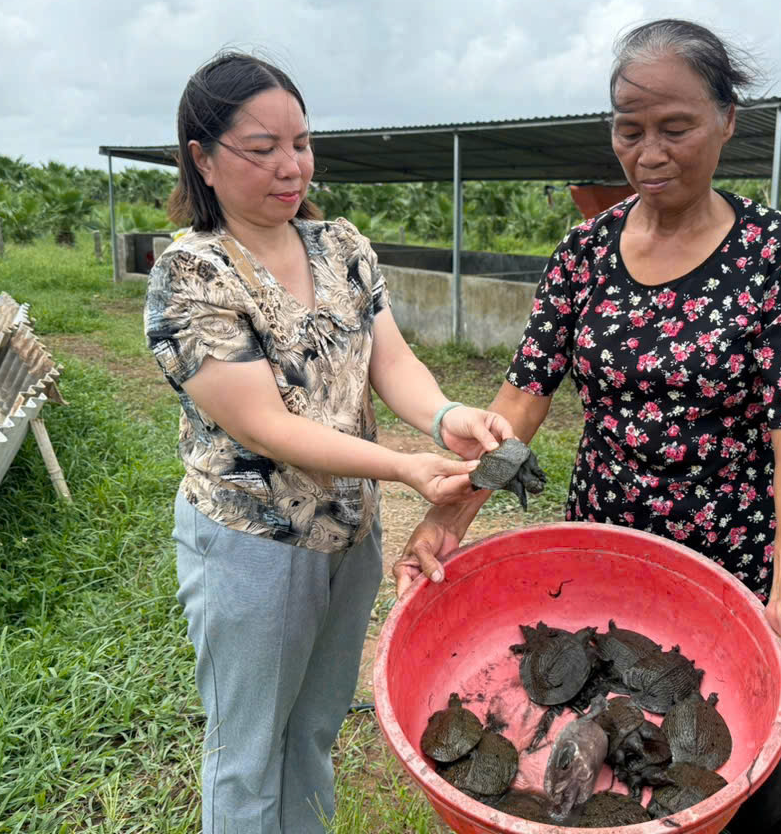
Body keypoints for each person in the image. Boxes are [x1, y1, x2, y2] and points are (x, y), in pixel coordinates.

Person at [394, 19, 781, 833]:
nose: (649, 153)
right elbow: (521, 402)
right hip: (607, 559)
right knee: (605, 773)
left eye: (676, 128)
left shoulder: (772, 252)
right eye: (628, 130)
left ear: (727, 119)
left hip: (729, 562)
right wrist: (446, 517)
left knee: (746, 779)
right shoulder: (584, 253)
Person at [144, 50, 513, 834]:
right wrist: (407, 467)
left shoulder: (340, 247)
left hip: (349, 533)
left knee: (312, 731)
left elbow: (392, 360)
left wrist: (447, 419)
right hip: (253, 539)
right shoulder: (194, 274)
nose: (291, 166)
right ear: (203, 160)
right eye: (262, 147)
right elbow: (265, 426)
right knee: (246, 753)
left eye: (301, 143)